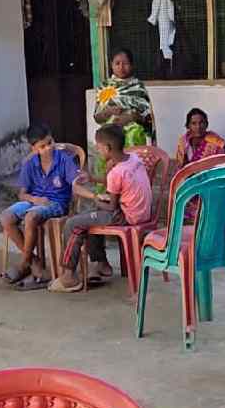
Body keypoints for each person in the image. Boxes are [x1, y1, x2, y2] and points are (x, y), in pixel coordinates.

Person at [49, 124, 152, 293]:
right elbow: (119, 184)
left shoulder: (116, 172)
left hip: (125, 216)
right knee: (90, 217)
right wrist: (92, 179)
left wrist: (96, 199)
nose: (97, 149)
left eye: (98, 146)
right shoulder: (133, 158)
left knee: (73, 223)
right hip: (141, 213)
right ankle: (101, 264)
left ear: (108, 148)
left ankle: (68, 275)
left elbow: (111, 207)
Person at [0, 123, 79, 291]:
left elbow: (76, 183)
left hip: (57, 203)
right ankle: (34, 262)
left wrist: (84, 181)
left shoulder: (64, 159)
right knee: (6, 216)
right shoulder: (30, 163)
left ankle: (24, 264)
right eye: (42, 146)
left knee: (31, 217)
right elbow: (22, 194)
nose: (48, 148)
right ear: (33, 148)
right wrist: (35, 199)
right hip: (34, 201)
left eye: (50, 143)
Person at [175, 108, 225, 223]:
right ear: (188, 126)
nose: (198, 127)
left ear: (207, 124)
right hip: (190, 184)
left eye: (201, 122)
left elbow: (222, 168)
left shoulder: (216, 143)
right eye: (193, 123)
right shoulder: (183, 142)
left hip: (210, 185)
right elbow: (180, 167)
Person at [94, 48, 154, 148]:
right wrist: (109, 112)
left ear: (131, 65)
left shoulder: (138, 87)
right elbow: (97, 117)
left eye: (125, 63)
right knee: (111, 164)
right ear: (111, 64)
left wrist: (132, 117)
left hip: (134, 139)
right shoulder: (104, 87)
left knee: (132, 163)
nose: (121, 67)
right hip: (109, 140)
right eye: (117, 63)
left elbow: (148, 119)